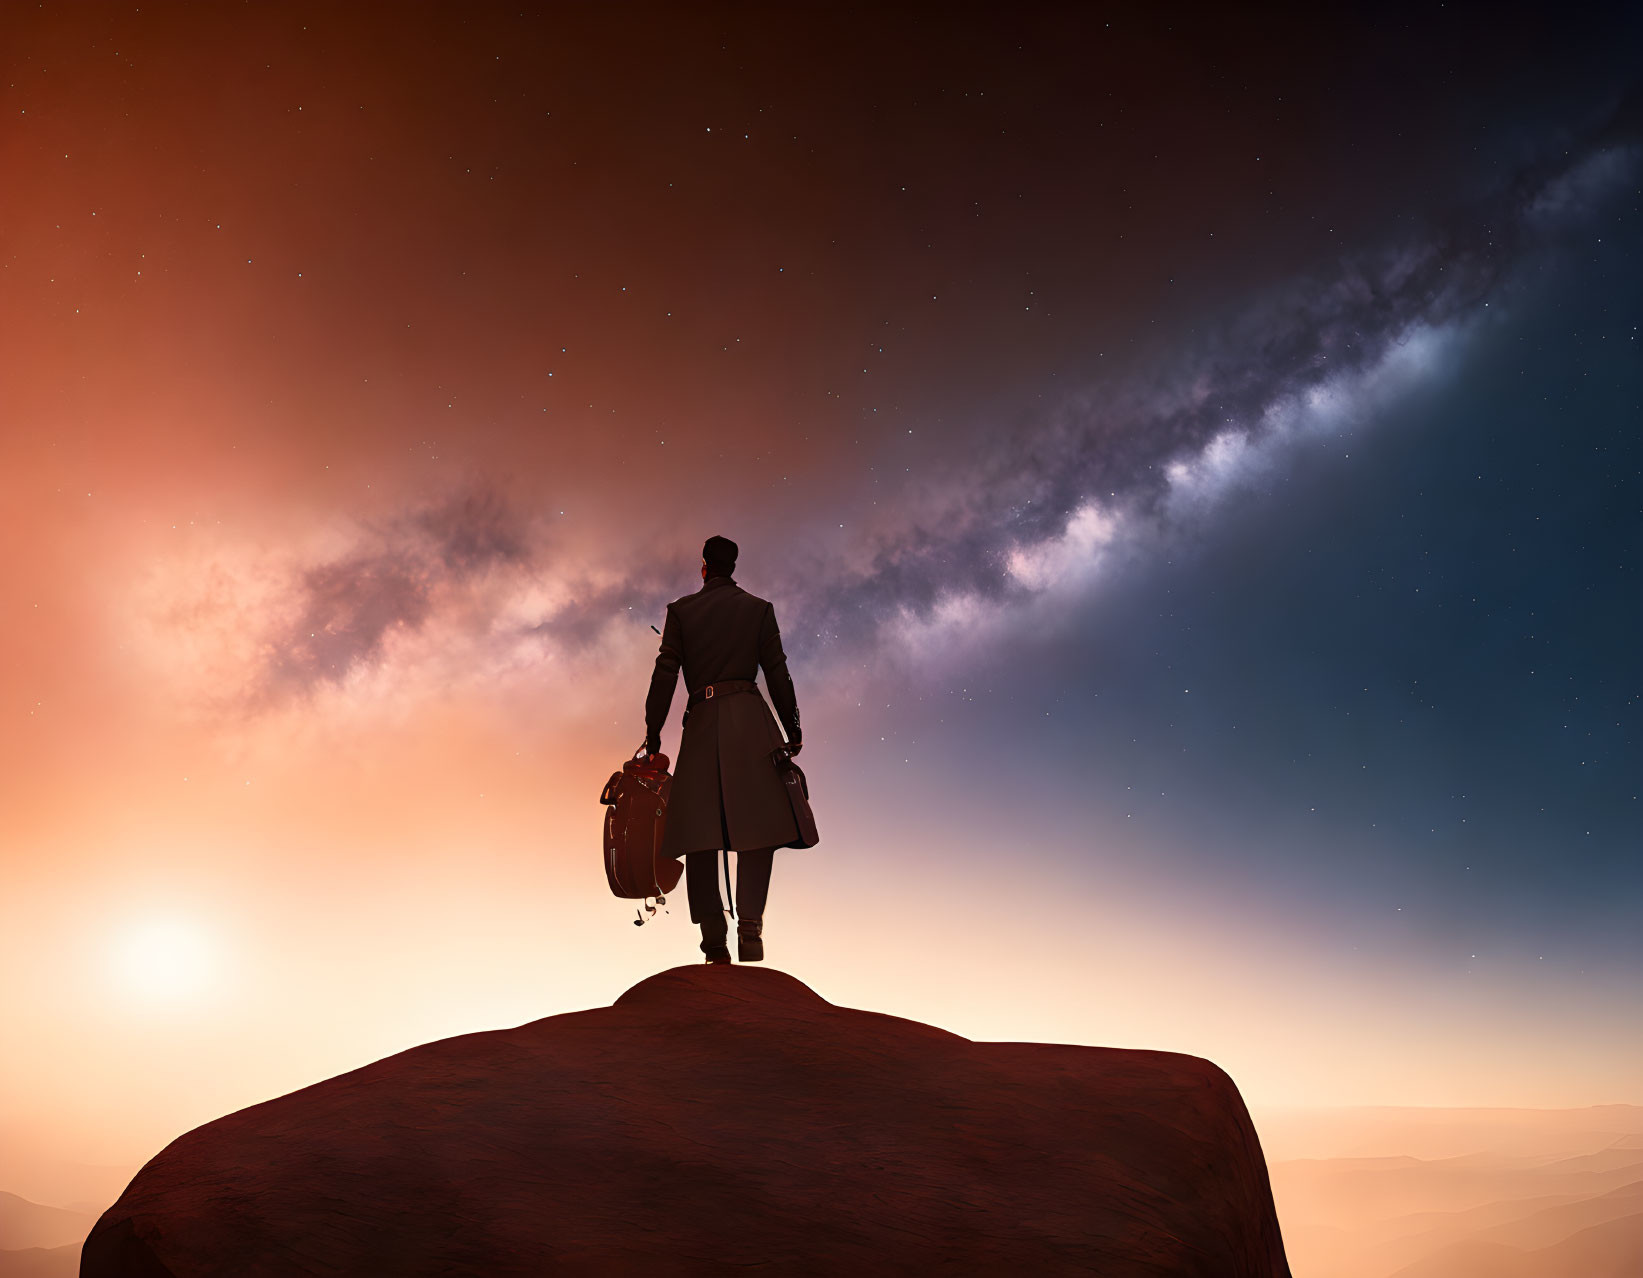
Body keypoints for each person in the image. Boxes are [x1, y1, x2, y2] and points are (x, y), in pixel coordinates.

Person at [644, 535, 805, 964]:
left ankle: (713, 939)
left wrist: (653, 731)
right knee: (759, 827)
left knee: (700, 833)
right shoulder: (759, 610)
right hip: (752, 722)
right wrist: (792, 728)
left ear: (704, 567)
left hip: (701, 725)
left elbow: (664, 676)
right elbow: (777, 673)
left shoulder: (681, 612)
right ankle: (751, 927)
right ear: (733, 567)